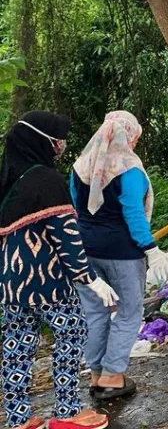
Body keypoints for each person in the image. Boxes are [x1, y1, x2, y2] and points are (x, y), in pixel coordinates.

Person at [0, 112, 114, 429]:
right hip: (47, 283)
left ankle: (19, 418)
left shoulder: (10, 179)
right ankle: (67, 412)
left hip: (10, 285)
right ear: (42, 141)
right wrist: (91, 280)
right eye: (57, 139)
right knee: (71, 334)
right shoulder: (47, 181)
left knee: (17, 348)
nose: (61, 145)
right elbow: (67, 239)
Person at [70, 111, 168, 401]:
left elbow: (75, 210)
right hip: (123, 253)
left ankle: (95, 375)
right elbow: (133, 212)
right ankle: (113, 376)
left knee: (94, 312)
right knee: (129, 312)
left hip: (86, 251)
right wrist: (151, 249)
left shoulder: (80, 166)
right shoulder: (128, 168)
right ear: (129, 135)